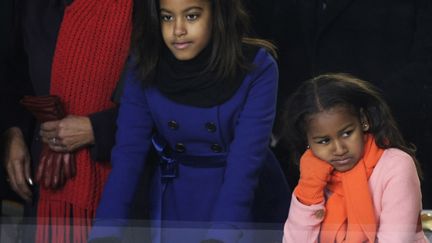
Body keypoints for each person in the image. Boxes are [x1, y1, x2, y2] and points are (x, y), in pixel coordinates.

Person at [89, 0, 291, 242]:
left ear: (218, 14)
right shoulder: (144, 63)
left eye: (192, 16)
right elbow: (128, 154)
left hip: (243, 204)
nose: (177, 30)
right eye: (167, 17)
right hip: (176, 195)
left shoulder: (258, 66)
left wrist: (222, 236)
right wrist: (105, 232)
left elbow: (245, 162)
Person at [268, 0, 432, 208]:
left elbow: (425, 64)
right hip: (307, 161)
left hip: (397, 145)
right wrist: (290, 125)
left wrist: (367, 116)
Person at [2, 0, 132, 242]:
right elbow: (14, 75)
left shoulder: (143, 8)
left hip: (118, 177)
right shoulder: (31, 6)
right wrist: (14, 132)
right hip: (44, 176)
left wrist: (98, 129)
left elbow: (166, 96)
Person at [281, 73, 428, 242]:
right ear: (307, 140)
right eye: (324, 141)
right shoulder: (313, 175)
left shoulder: (396, 165)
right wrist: (309, 189)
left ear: (363, 120)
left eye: (346, 133)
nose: (339, 149)